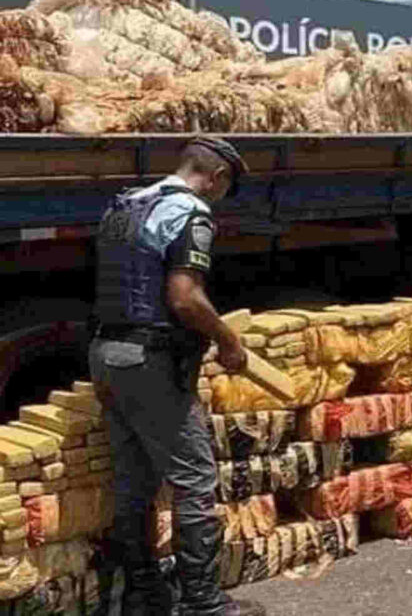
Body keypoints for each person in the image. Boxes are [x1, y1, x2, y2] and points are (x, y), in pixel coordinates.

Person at [88, 136, 266, 616]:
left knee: (135, 481)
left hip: (106, 352)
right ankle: (202, 602)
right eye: (226, 190)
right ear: (218, 178)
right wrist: (229, 340)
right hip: (150, 361)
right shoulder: (190, 212)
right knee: (195, 477)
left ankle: (144, 595)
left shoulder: (126, 205)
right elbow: (184, 297)